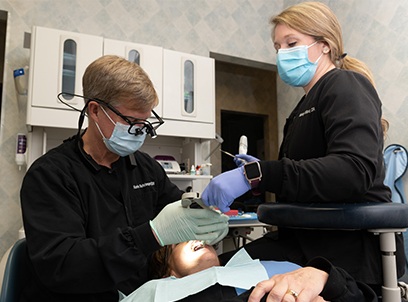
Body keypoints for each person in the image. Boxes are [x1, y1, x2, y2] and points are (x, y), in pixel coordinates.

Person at [201, 1, 405, 295]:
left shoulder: (346, 84)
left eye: (291, 43)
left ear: (325, 45)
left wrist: (259, 174)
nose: (282, 53)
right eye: (277, 46)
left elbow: (352, 171)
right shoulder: (299, 110)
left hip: (346, 257)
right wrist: (258, 176)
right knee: (206, 279)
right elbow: (306, 181)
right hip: (300, 243)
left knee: (211, 293)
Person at [19, 55, 229, 302]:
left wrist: (204, 215)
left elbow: (177, 209)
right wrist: (152, 234)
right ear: (95, 111)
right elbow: (63, 267)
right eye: (132, 122)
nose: (140, 131)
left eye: (145, 122)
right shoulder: (51, 175)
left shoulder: (145, 169)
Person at [123, 240, 377, 301]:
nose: (194, 239)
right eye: (181, 244)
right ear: (169, 275)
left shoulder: (253, 257)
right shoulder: (170, 292)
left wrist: (323, 275)